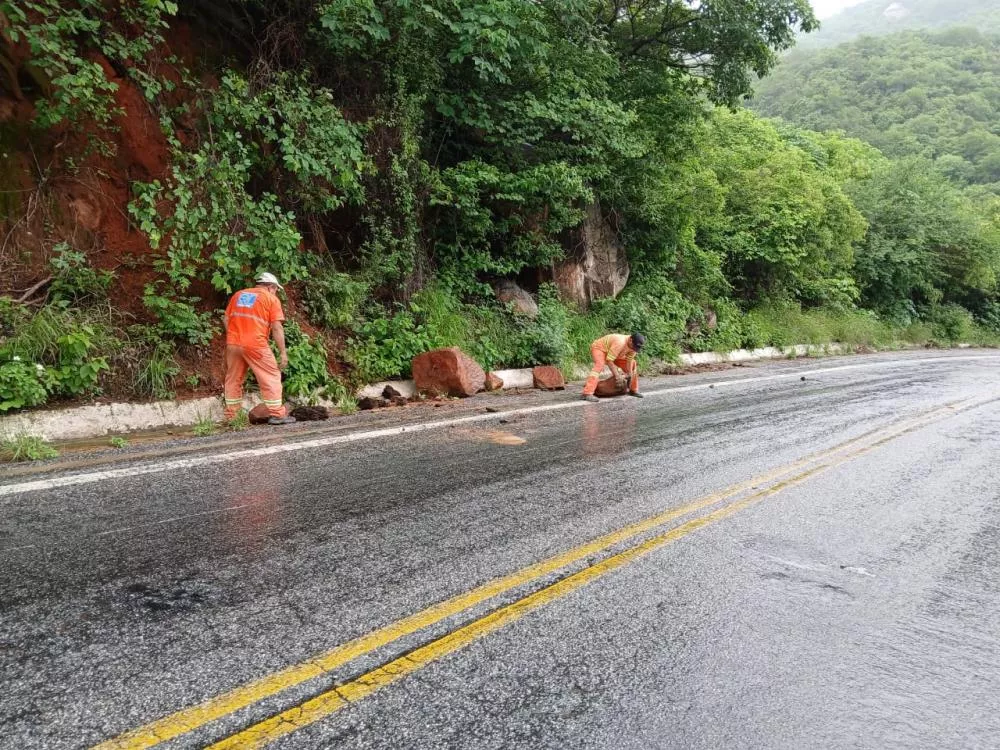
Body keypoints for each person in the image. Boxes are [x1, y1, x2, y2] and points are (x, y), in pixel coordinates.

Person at [222, 272, 296, 425]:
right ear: (270, 287)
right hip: (256, 344)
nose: (276, 293)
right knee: (271, 376)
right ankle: (277, 414)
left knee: (233, 379)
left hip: (233, 343)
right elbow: (276, 328)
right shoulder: (270, 299)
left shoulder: (238, 295)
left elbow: (226, 319)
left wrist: (233, 337)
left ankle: (232, 416)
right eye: (276, 289)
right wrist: (283, 352)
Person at [581, 332, 646, 403]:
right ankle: (587, 393)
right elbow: (609, 360)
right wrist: (617, 376)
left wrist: (629, 373)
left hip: (616, 353)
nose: (634, 349)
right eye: (634, 346)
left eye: (636, 348)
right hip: (600, 349)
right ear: (630, 340)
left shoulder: (634, 347)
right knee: (599, 365)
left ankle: (633, 390)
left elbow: (629, 361)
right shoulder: (620, 342)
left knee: (633, 363)